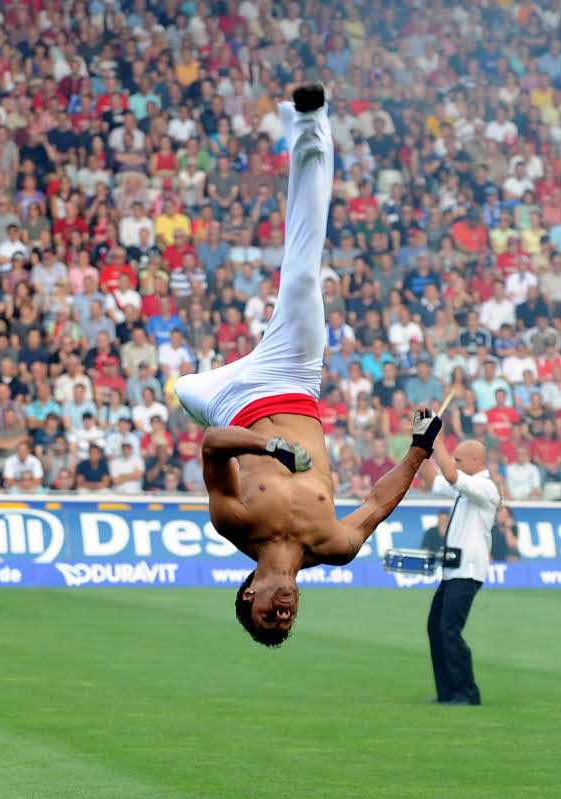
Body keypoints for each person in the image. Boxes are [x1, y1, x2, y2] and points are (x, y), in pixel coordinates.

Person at [174, 86, 438, 647]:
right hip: (292, 380)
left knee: (179, 387)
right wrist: (418, 450)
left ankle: (304, 128)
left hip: (224, 399)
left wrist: (268, 449)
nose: (284, 612)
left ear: (249, 596)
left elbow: (214, 445)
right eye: (288, 621)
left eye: (271, 615)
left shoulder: (235, 524)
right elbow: (375, 505)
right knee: (301, 275)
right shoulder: (334, 547)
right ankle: (311, 123)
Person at [419, 437, 500, 706]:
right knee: (436, 628)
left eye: (459, 459)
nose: (453, 464)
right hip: (453, 571)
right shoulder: (466, 487)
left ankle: (467, 692)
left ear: (476, 462)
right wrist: (420, 444)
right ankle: (448, 691)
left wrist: (437, 440)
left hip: (468, 571)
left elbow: (450, 476)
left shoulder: (485, 487)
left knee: (449, 629)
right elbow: (432, 481)